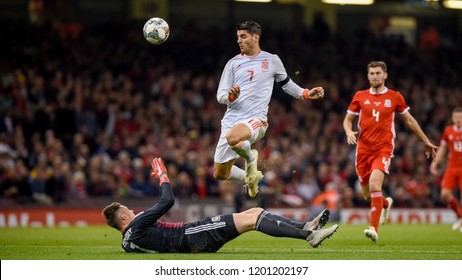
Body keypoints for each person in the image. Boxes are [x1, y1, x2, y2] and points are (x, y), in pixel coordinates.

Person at [102, 158, 338, 253]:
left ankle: (306, 226)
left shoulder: (127, 242)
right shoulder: (137, 225)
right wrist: (163, 175)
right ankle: (309, 235)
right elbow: (167, 201)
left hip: (191, 241)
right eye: (128, 211)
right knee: (253, 219)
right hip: (191, 235)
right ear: (123, 218)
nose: (133, 211)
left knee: (255, 212)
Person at [213, 20, 325, 198]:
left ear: (255, 37)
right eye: (237, 37)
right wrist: (230, 97)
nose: (239, 41)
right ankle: (250, 178)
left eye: (243, 36)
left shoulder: (271, 60)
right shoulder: (232, 64)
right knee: (220, 173)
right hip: (231, 120)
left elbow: (287, 84)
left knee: (233, 138)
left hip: (256, 120)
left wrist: (305, 93)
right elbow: (220, 95)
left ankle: (250, 157)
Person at [343, 61, 438, 242]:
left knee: (374, 186)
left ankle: (374, 228)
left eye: (378, 73)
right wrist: (348, 131)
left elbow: (409, 121)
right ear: (368, 76)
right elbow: (347, 120)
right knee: (367, 195)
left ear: (385, 75)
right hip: (363, 150)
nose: (375, 76)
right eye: (371, 73)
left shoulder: (394, 97)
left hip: (383, 149)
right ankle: (385, 204)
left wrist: (426, 141)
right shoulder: (360, 96)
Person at [430, 107, 462, 232]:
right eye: (456, 117)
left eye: (460, 117)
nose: (458, 119)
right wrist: (435, 163)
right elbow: (443, 148)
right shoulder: (448, 131)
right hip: (452, 167)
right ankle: (459, 216)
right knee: (444, 195)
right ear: (453, 118)